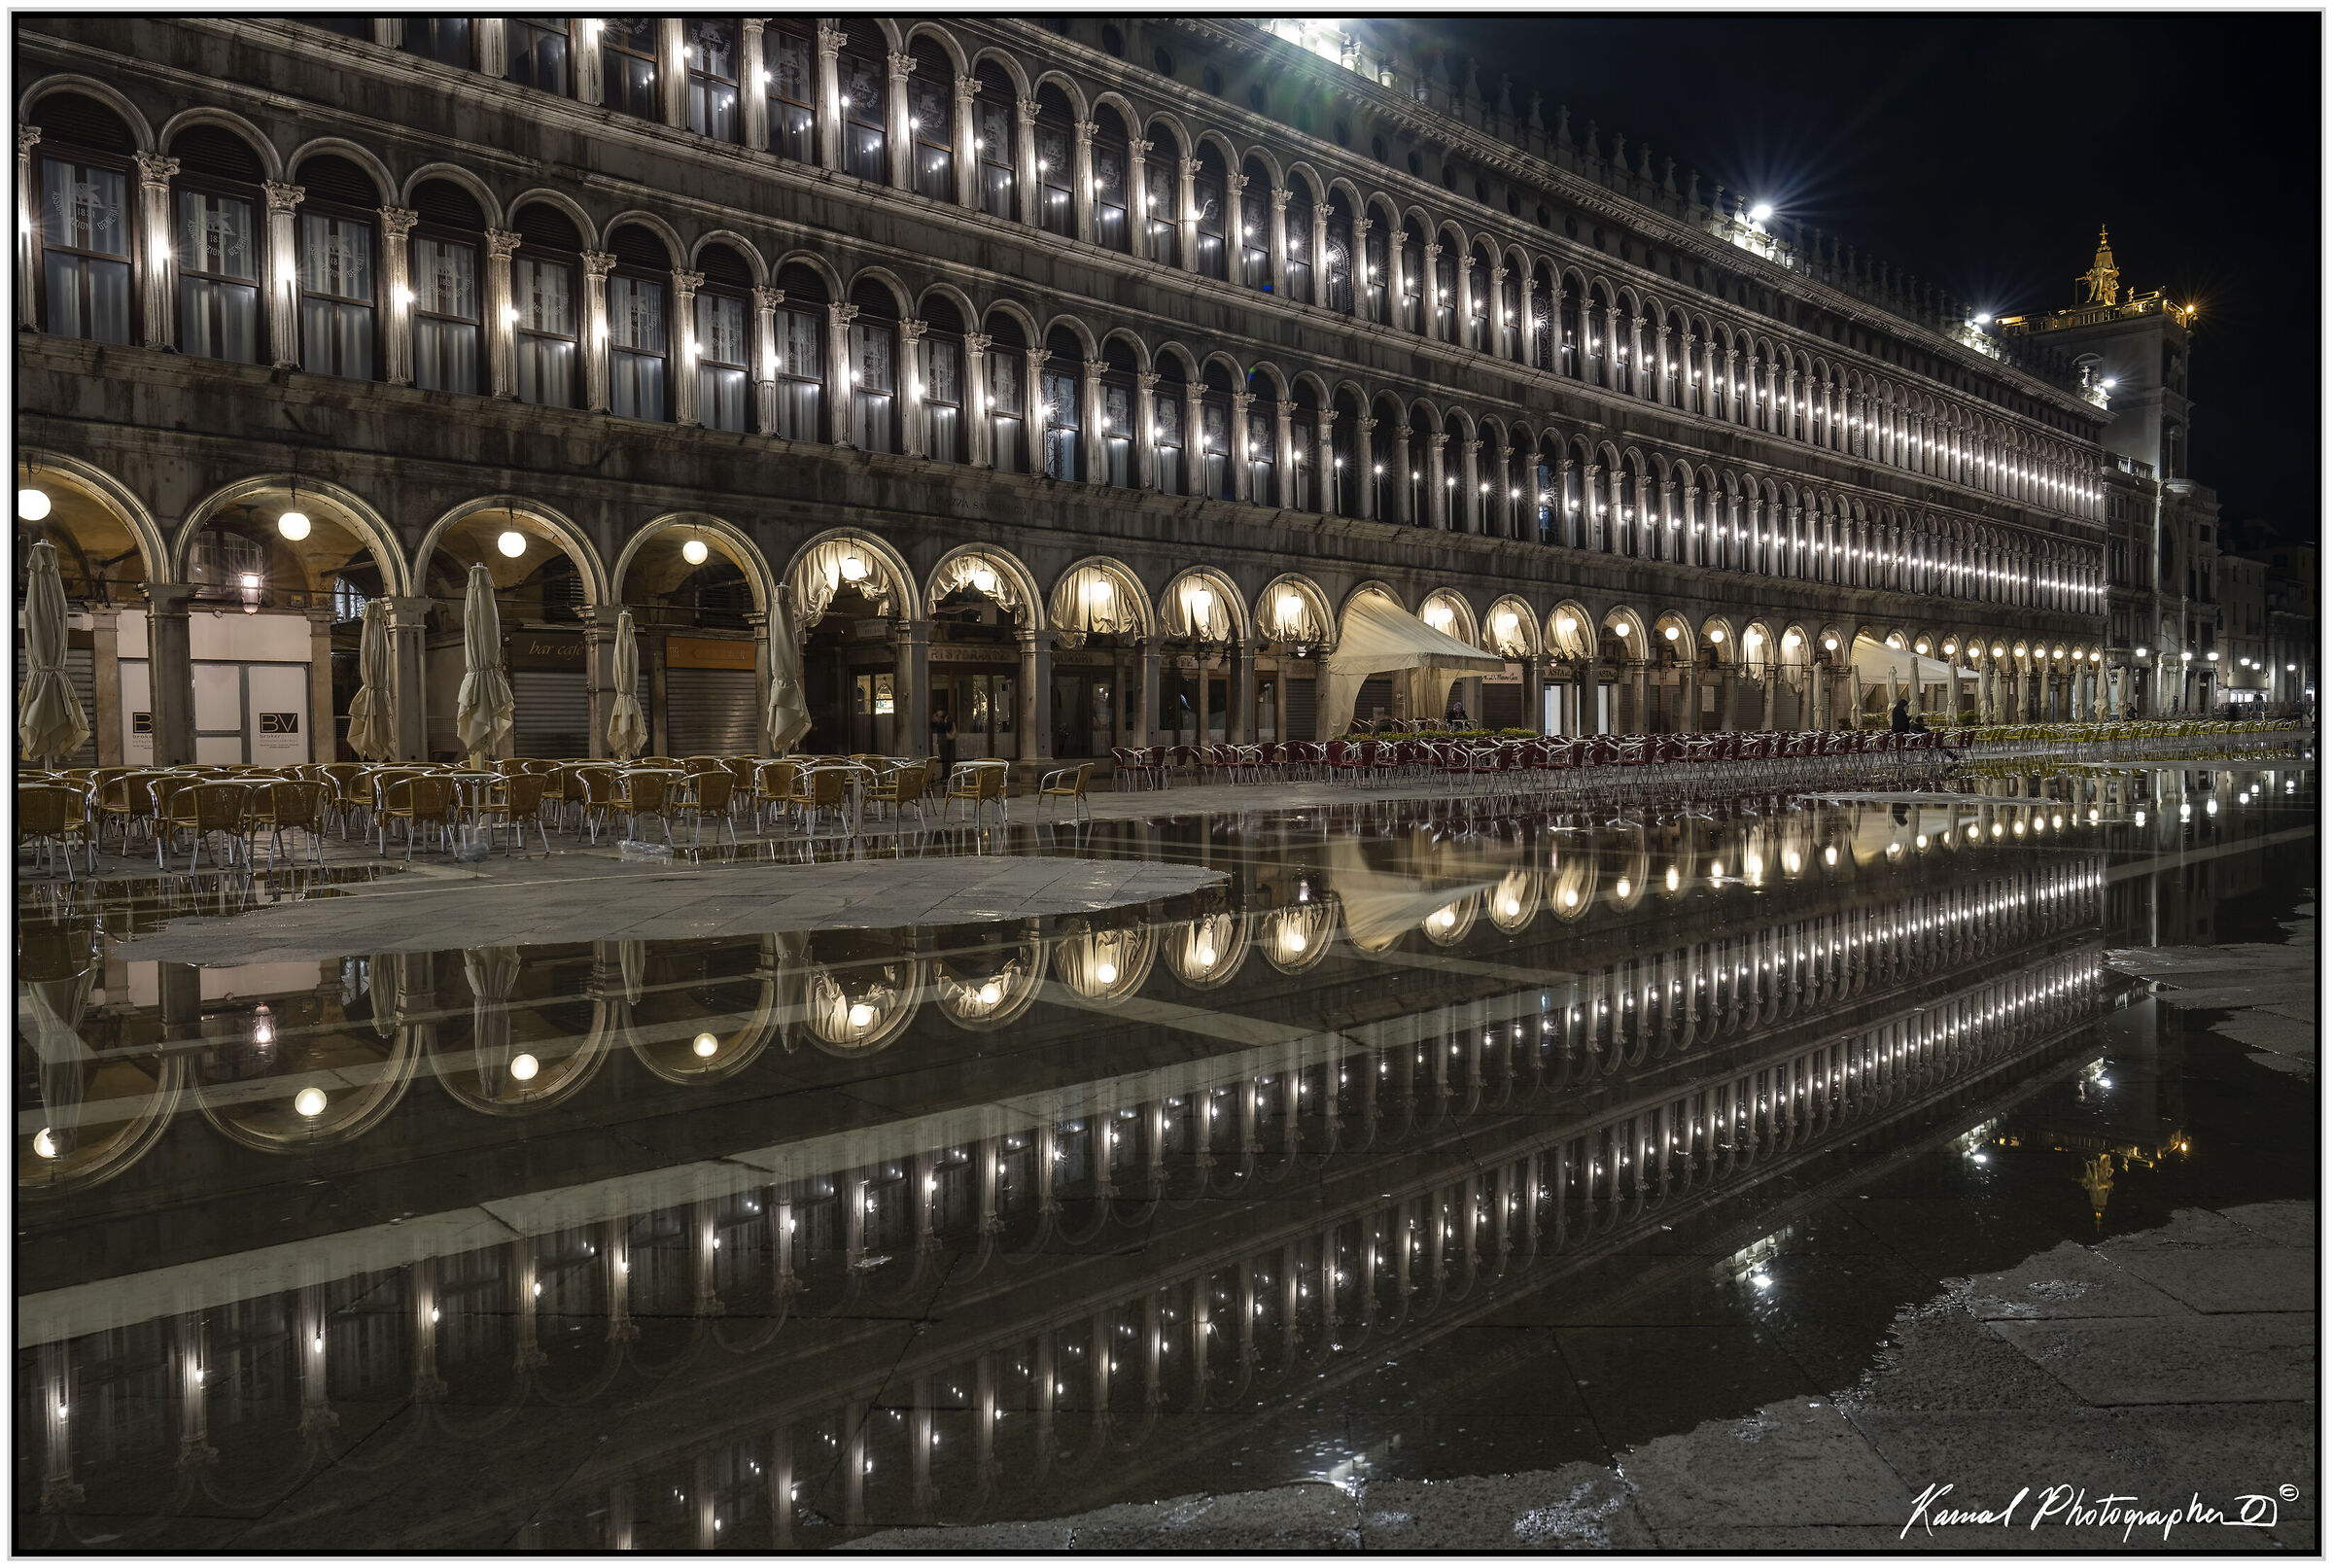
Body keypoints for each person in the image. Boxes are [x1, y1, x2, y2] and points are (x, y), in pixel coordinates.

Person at [929, 700, 956, 771]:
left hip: (946, 741)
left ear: (942, 711)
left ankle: (947, 775)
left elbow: (947, 728)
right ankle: (945, 775)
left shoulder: (947, 718)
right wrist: (934, 720)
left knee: (946, 758)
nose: (937, 712)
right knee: (943, 758)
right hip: (941, 740)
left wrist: (940, 722)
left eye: (939, 711)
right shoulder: (940, 719)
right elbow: (933, 727)